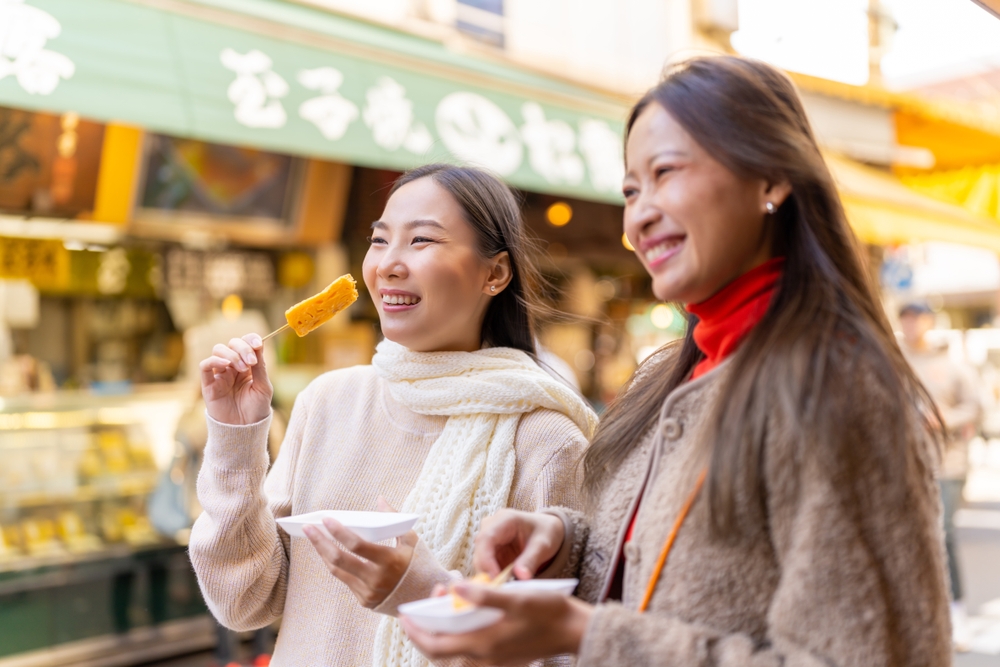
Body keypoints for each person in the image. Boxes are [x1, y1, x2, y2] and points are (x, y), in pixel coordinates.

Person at [402, 55, 951, 666]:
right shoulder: (668, 377)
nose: (639, 214)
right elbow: (672, 574)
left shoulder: (836, 388)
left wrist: (587, 636)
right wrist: (563, 542)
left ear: (770, 177)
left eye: (666, 173)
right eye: (632, 190)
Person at [189, 163, 598, 667]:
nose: (388, 264)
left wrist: (425, 593)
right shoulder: (327, 403)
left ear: (495, 273)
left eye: (422, 241)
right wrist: (235, 435)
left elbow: (560, 651)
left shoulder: (546, 439)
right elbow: (243, 603)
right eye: (379, 241)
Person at [898, 301, 981, 640]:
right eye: (905, 318)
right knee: (908, 537)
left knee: (942, 533)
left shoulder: (952, 364)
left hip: (948, 462)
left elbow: (977, 406)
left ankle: (956, 613)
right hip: (904, 462)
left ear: (929, 322)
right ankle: (921, 615)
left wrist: (945, 419)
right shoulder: (893, 358)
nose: (910, 325)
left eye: (916, 318)